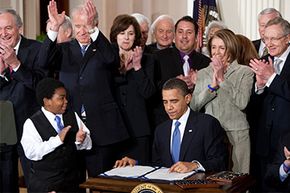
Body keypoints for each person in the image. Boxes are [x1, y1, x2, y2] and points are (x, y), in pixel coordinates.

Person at [40, 0, 129, 176]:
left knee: (102, 180)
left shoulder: (105, 48)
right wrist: (54, 29)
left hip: (102, 126)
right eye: (78, 26)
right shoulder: (64, 49)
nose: (82, 31)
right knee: (73, 181)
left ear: (95, 25)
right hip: (72, 125)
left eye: (86, 25)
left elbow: (112, 60)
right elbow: (42, 62)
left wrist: (93, 30)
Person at [115, 78, 227, 173]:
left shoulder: (207, 124)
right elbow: (158, 165)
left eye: (174, 101)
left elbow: (219, 161)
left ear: (187, 98)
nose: (169, 107)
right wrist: (136, 163)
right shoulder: (161, 130)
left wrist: (194, 165)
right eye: (165, 102)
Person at [190, 29, 254, 174]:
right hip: (211, 135)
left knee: (239, 180)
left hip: (237, 135)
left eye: (221, 48)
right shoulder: (203, 73)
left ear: (231, 49)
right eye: (213, 47)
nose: (216, 52)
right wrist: (212, 87)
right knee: (213, 178)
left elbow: (242, 102)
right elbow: (194, 106)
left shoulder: (245, 72)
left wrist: (222, 80)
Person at [21, 78, 92, 192]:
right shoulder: (31, 123)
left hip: (73, 183)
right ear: (47, 101)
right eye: (61, 98)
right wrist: (57, 140)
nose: (66, 101)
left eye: (66, 97)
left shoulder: (72, 115)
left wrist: (80, 140)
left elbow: (88, 145)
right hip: (47, 185)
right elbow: (31, 153)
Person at [0, 8, 44, 191]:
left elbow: (41, 87)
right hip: (3, 128)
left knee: (36, 182)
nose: (3, 33)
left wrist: (15, 64)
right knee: (5, 183)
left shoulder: (37, 49)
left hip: (30, 125)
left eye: (8, 28)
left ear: (19, 28)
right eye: (0, 29)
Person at [248, 17, 290, 192]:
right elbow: (253, 108)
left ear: (288, 38)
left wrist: (271, 78)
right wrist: (259, 87)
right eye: (266, 38)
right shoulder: (264, 60)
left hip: (287, 142)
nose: (269, 43)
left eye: (274, 38)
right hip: (264, 141)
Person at [109, 14, 155, 164]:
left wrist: (137, 67)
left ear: (136, 36)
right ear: (115, 36)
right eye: (122, 33)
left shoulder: (148, 60)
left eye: (130, 33)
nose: (126, 38)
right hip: (115, 130)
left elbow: (148, 93)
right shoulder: (107, 60)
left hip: (139, 131)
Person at [151, 16, 211, 127]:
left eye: (189, 32)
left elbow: (212, 91)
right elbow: (151, 90)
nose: (184, 36)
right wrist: (174, 84)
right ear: (175, 35)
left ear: (196, 36)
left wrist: (197, 83)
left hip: (196, 122)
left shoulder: (206, 63)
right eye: (180, 32)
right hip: (165, 122)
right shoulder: (158, 58)